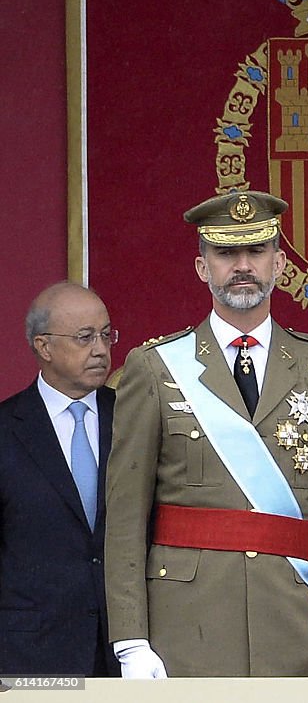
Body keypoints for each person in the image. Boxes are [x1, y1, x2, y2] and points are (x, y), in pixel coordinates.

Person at [104, 190, 308, 677]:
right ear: (202, 267)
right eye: (227, 253)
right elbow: (125, 517)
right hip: (184, 623)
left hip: (289, 618)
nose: (242, 265)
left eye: (256, 251)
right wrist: (130, 640)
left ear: (279, 264)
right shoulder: (155, 367)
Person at [0, 283, 118, 676]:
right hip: (30, 655)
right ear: (44, 347)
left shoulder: (136, 418)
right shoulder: (6, 429)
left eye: (106, 334)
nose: (101, 349)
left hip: (125, 652)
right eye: (85, 338)